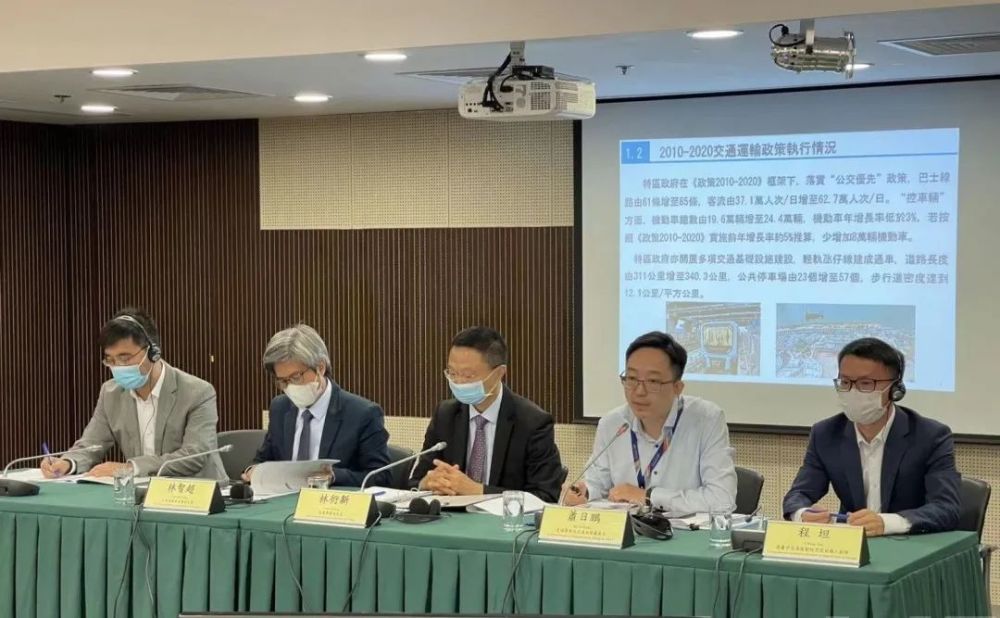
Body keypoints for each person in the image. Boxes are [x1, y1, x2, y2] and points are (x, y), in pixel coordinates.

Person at [782, 337, 960, 536]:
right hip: (853, 546)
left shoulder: (930, 436)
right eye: (845, 382)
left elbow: (946, 508)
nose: (853, 392)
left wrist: (887, 523)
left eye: (866, 383)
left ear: (895, 389)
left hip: (912, 543)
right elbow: (798, 494)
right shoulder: (826, 433)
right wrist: (802, 514)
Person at [42, 308, 226, 480]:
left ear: (153, 352)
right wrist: (68, 463)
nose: (118, 367)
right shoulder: (110, 393)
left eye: (125, 358)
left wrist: (132, 468)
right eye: (111, 360)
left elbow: (194, 456)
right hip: (140, 493)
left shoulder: (197, 392)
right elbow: (92, 444)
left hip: (197, 493)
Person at [563, 331, 737, 512]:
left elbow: (722, 500)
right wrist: (584, 491)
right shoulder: (613, 424)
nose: (639, 391)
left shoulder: (706, 420)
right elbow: (597, 481)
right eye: (631, 378)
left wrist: (648, 496)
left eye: (653, 381)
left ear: (677, 388)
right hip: (628, 528)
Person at [411, 326, 563, 502]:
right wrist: (426, 483)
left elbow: (546, 496)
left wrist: (479, 491)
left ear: (499, 373)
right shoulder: (446, 415)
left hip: (503, 519)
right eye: (452, 373)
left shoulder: (533, 423)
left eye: (468, 375)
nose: (458, 382)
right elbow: (415, 481)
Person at [244, 324, 391, 487]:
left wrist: (333, 476)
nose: (290, 387)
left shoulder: (362, 414)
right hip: (284, 498)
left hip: (329, 500)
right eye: (283, 381)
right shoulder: (280, 408)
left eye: (296, 377)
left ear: (320, 367)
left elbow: (381, 477)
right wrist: (253, 470)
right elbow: (263, 460)